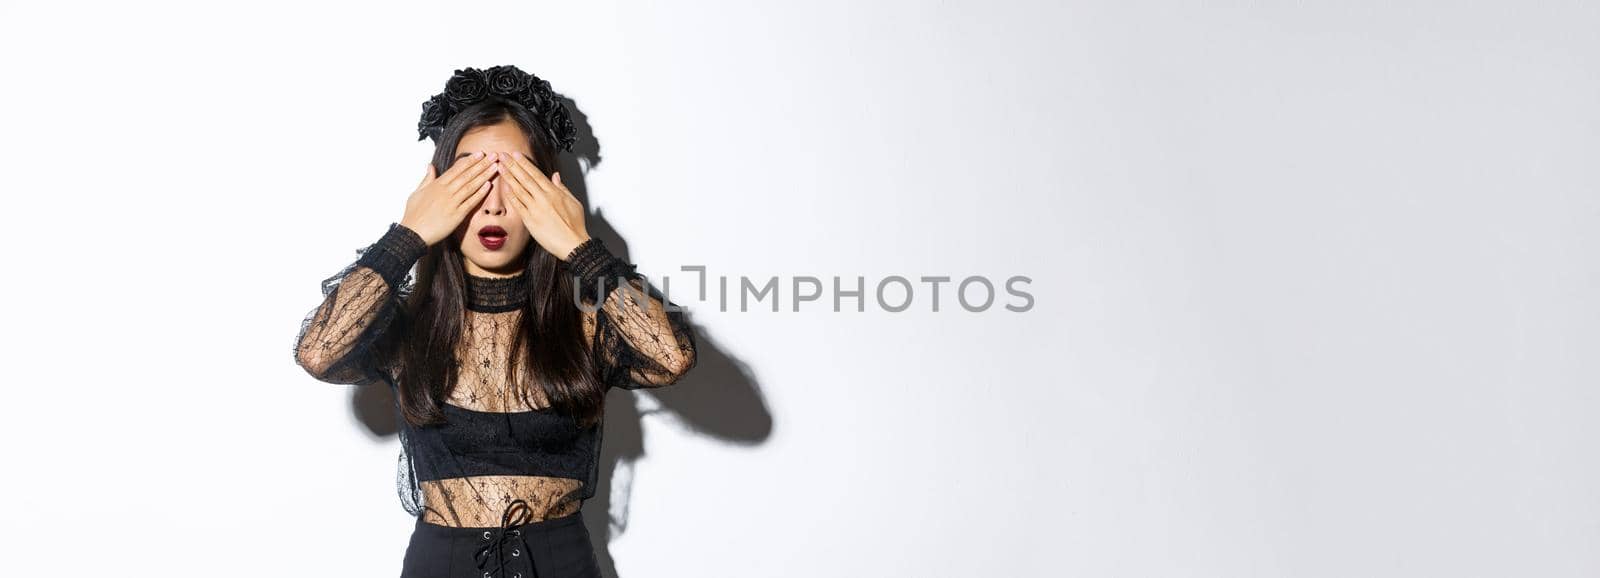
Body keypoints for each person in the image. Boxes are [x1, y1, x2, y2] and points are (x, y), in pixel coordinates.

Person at [293, 65, 698, 578]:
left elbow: (672, 357)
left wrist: (579, 246)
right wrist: (409, 233)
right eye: (471, 179)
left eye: (514, 179)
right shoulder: (408, 324)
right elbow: (317, 352)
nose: (494, 203)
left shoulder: (586, 324)